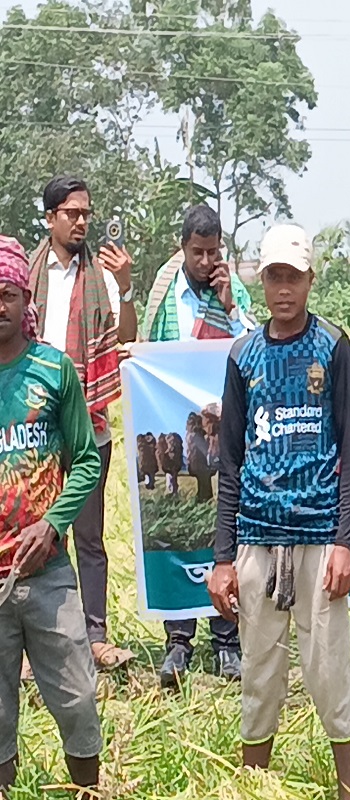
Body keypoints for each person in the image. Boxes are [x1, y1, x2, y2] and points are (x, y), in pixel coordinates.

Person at [206, 225, 350, 800]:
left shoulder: (332, 345)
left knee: (329, 672)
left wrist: (345, 542)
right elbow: (229, 458)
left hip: (320, 534)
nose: (283, 288)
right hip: (257, 537)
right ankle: (256, 785)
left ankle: (348, 789)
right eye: (273, 276)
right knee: (259, 673)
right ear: (261, 279)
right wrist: (223, 559)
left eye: (293, 277)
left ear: (310, 280)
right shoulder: (243, 355)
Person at [0, 235, 104, 796]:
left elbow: (86, 458)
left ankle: (86, 790)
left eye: (7, 293)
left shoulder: (54, 370)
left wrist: (53, 522)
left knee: (77, 699)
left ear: (23, 297)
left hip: (49, 573)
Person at [140, 204, 254, 688]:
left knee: (226, 525)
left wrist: (230, 305)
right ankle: (179, 640)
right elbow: (147, 349)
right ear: (182, 247)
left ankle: (227, 641)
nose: (207, 261)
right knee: (175, 525)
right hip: (178, 423)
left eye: (214, 252)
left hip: (226, 425)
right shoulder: (166, 292)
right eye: (198, 252)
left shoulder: (234, 290)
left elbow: (255, 346)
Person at [27, 175, 137, 671]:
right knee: (40, 533)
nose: (81, 221)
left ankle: (95, 637)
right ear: (50, 218)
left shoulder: (105, 277)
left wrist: (129, 289)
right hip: (36, 427)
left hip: (88, 423)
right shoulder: (26, 276)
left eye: (86, 213)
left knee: (90, 535)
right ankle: (35, 642)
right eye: (72, 213)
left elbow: (126, 340)